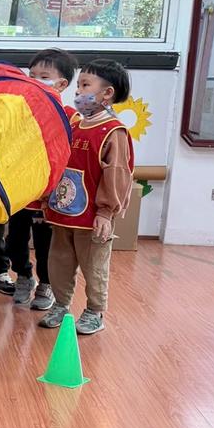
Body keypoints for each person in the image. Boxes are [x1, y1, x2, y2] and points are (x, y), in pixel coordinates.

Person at [40, 59, 134, 336]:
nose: (78, 91)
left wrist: (106, 212)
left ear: (107, 93)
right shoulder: (74, 125)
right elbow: (58, 163)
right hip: (63, 212)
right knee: (59, 262)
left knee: (94, 266)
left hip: (93, 218)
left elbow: (117, 174)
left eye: (85, 85)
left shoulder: (113, 131)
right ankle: (61, 305)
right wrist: (47, 198)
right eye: (79, 85)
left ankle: (94, 311)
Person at [5, 48, 78, 310]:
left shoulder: (70, 117)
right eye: (31, 75)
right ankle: (24, 276)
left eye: (44, 76)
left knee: (46, 245)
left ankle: (46, 284)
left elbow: (70, 158)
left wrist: (54, 191)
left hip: (51, 196)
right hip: (21, 192)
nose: (35, 81)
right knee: (14, 241)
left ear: (61, 84)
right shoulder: (21, 112)